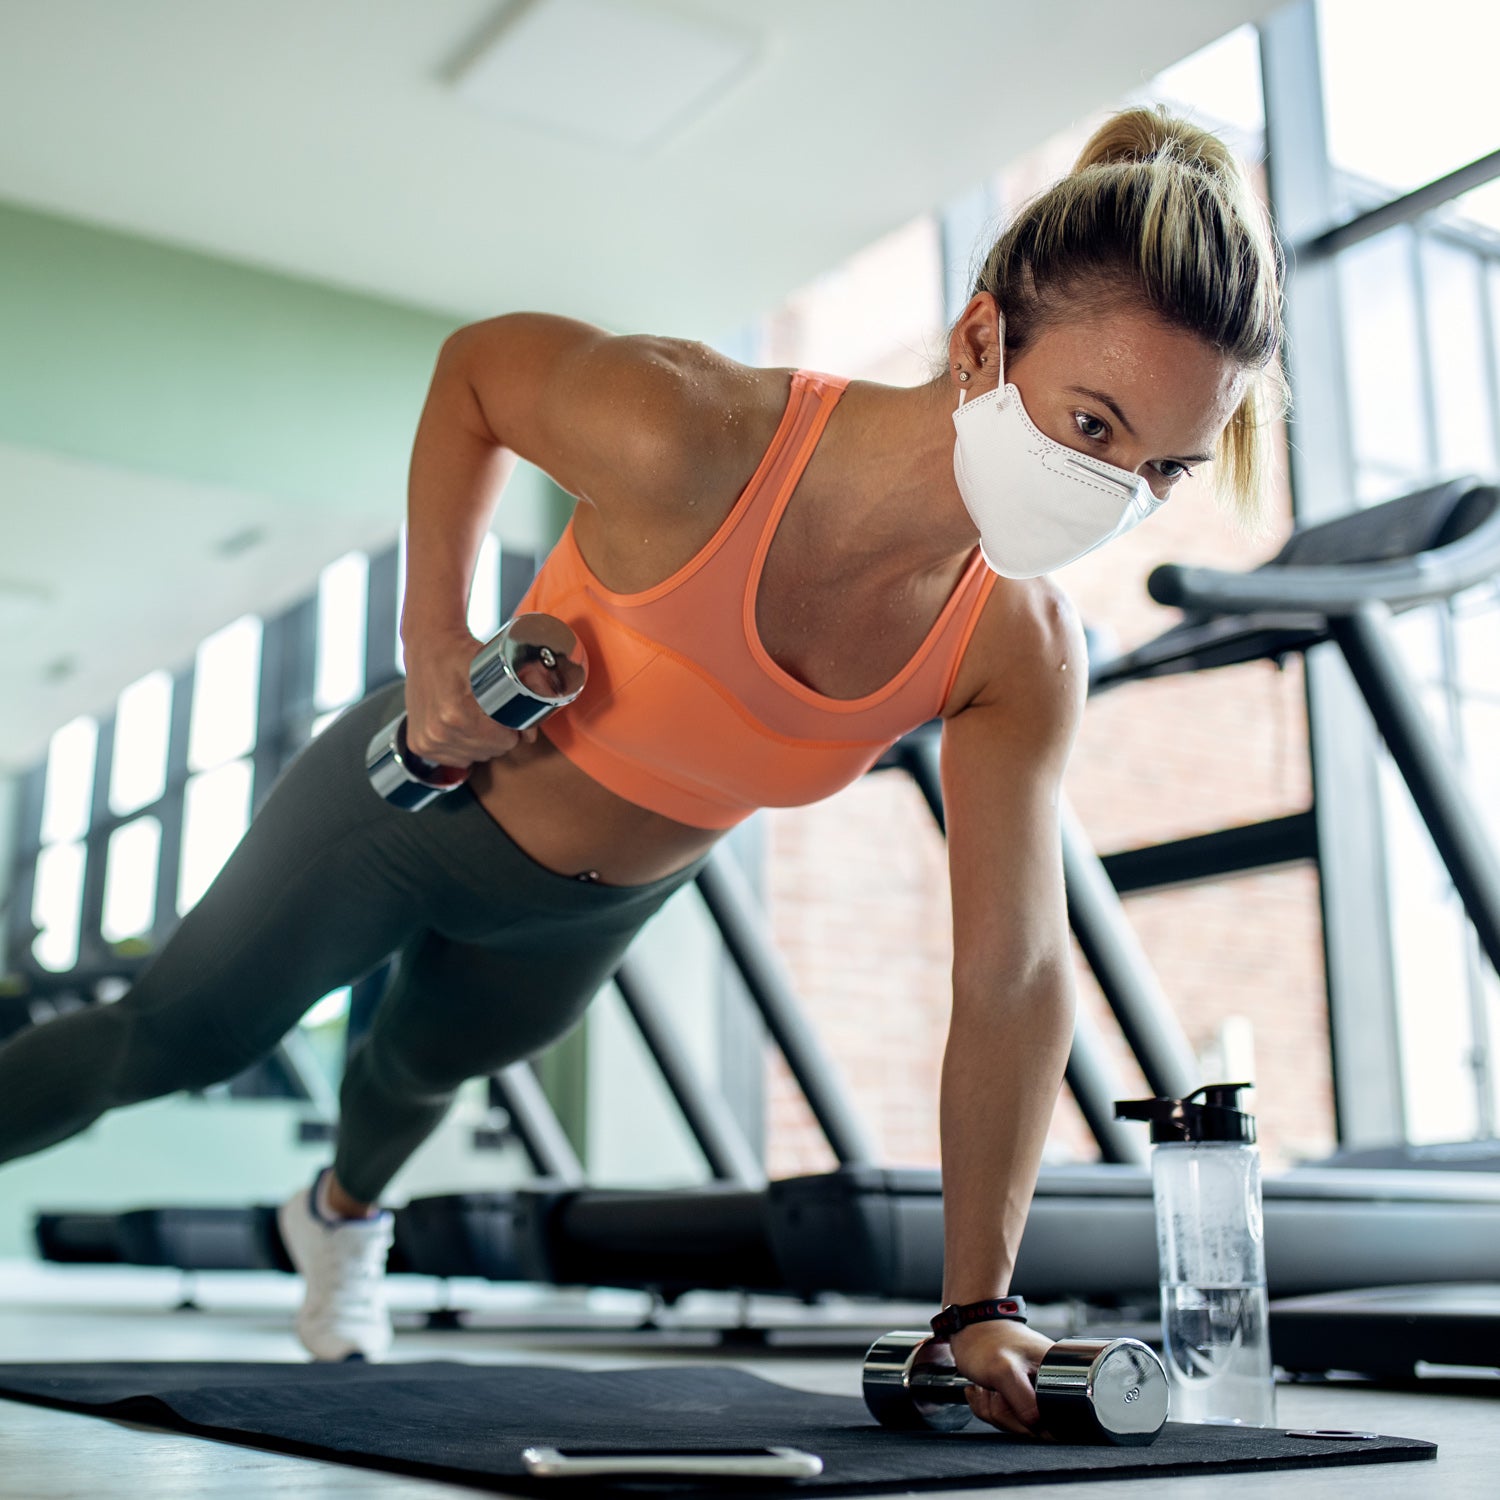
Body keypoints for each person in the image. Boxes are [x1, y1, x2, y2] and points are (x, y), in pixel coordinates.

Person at [0, 105, 1284, 1435]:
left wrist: (976, 1304)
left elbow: (1012, 968)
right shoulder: (695, 433)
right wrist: (436, 644)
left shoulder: (1016, 647)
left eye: (1163, 469)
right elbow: (476, 374)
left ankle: (336, 1219)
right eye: (1092, 422)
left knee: (414, 1074)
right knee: (177, 1035)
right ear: (980, 344)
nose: (1114, 488)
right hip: (414, 804)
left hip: (586, 913)